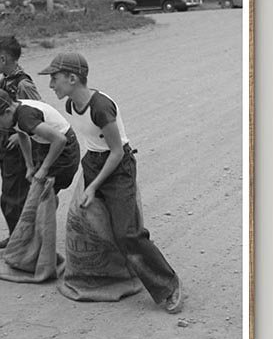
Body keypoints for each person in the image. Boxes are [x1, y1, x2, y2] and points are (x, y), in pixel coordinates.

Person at [38, 51, 184, 313]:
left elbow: (116, 152)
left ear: (72, 78)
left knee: (127, 233)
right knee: (83, 224)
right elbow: (93, 143)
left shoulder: (101, 107)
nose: (51, 85)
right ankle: (105, 276)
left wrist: (93, 187)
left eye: (54, 78)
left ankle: (168, 285)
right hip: (93, 162)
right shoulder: (71, 104)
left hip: (117, 169)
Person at [0, 35, 41, 248]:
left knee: (16, 195)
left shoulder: (23, 84)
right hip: (6, 146)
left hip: (20, 147)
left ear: (3, 59)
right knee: (9, 192)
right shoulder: (5, 80)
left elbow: (37, 113)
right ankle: (16, 234)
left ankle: (22, 240)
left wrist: (19, 134)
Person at [0, 88, 81, 198]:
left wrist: (44, 168)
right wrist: (29, 165)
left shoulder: (25, 118)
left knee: (42, 195)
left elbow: (60, 139)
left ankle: (45, 210)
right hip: (46, 144)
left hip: (64, 149)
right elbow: (22, 135)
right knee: (40, 191)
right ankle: (46, 209)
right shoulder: (15, 111)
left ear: (7, 111)